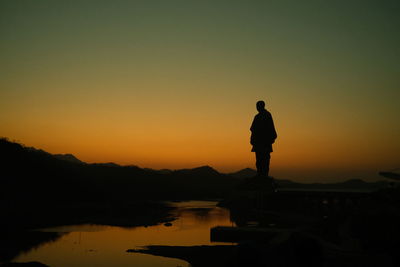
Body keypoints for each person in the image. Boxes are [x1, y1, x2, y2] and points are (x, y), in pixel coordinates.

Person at [250, 100, 277, 177]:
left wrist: (269, 139)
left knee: (264, 160)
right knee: (259, 160)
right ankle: (260, 174)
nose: (257, 108)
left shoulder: (267, 115)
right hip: (258, 142)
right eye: (257, 106)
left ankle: (264, 175)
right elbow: (253, 129)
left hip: (264, 142)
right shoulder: (257, 117)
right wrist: (252, 139)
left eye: (258, 106)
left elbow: (271, 128)